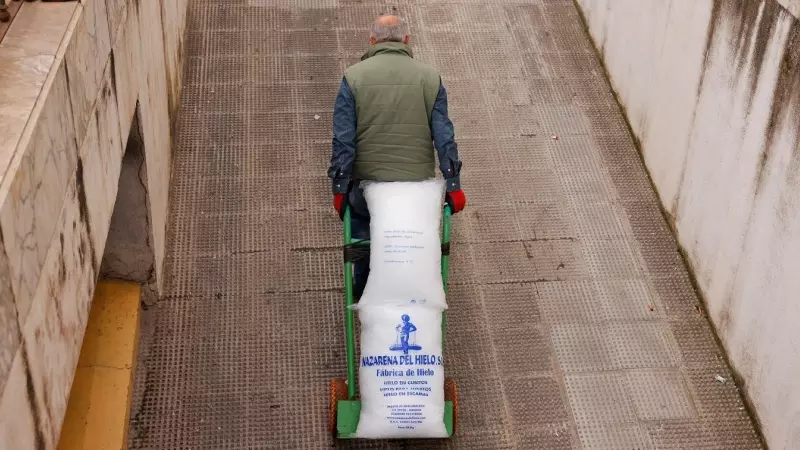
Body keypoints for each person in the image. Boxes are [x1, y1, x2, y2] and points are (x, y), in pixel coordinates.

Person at [328, 15, 467, 300]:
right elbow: (444, 136)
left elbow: (343, 140)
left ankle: (364, 296)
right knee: (412, 244)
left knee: (365, 242)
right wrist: (453, 184)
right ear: (407, 40)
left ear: (372, 41)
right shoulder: (430, 78)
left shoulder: (353, 77)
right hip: (414, 189)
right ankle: (412, 296)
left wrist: (340, 188)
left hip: (367, 187)